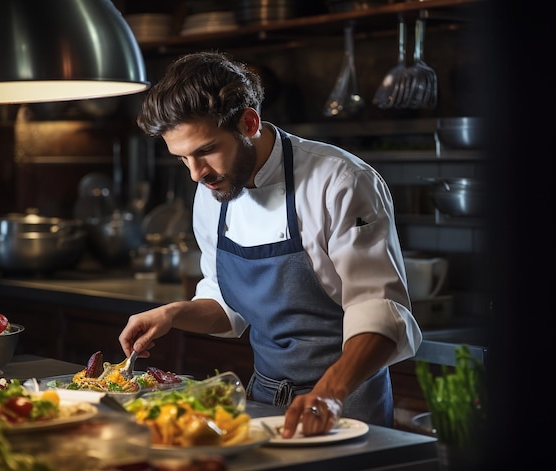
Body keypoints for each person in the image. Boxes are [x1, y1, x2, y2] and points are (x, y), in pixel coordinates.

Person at [119, 51, 422, 438]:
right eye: (182, 159)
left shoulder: (339, 180)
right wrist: (174, 314)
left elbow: (379, 310)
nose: (197, 174)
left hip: (344, 401)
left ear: (249, 122)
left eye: (206, 150)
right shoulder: (214, 189)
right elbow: (228, 306)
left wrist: (329, 394)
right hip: (262, 398)